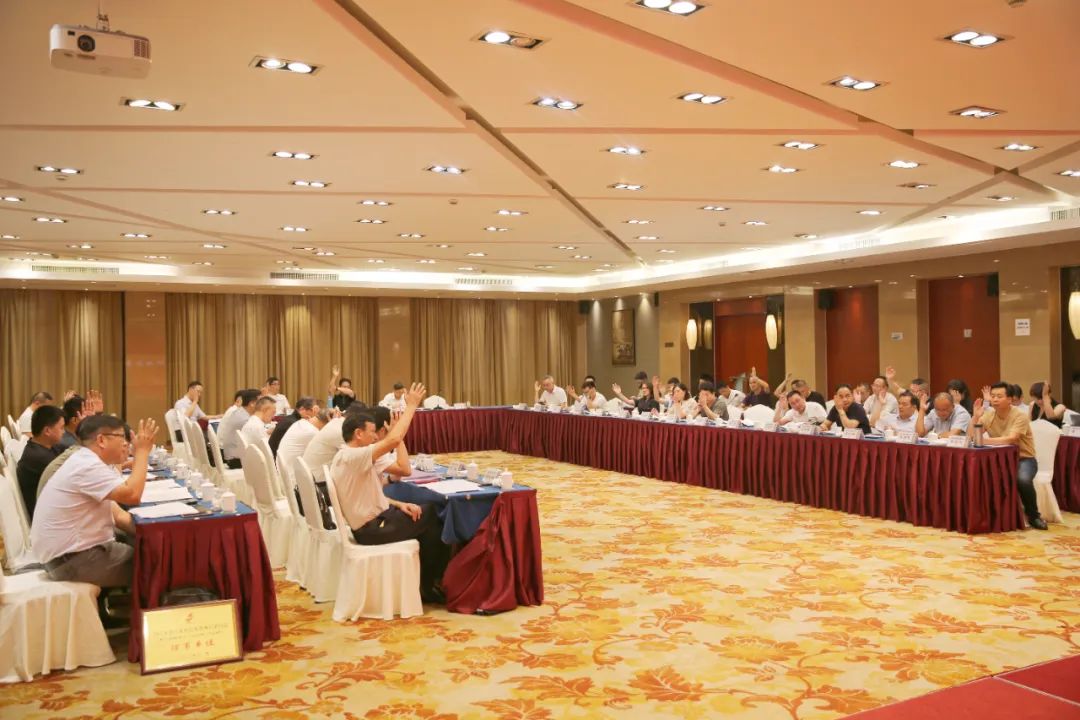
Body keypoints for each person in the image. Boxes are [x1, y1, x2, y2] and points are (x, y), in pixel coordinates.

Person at [329, 382, 450, 603]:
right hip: (371, 530)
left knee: (425, 512)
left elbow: (372, 492)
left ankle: (427, 581)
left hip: (373, 521)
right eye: (372, 433)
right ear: (358, 434)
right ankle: (429, 583)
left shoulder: (345, 455)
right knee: (435, 514)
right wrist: (411, 406)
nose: (376, 437)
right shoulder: (354, 456)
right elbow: (393, 442)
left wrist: (399, 504)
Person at [30, 415, 158, 587]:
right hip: (73, 561)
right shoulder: (87, 466)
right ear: (101, 440)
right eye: (122, 437)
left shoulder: (87, 461)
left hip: (67, 556)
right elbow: (132, 495)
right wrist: (142, 452)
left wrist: (156, 533)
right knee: (157, 564)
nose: (126, 443)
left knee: (150, 550)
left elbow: (118, 516)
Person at [969, 383, 1046, 530]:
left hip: (1023, 459)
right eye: (993, 396)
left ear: (1010, 399)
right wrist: (976, 417)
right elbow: (972, 436)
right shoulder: (988, 415)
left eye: (999, 396)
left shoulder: (1020, 415)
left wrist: (984, 441)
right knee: (979, 475)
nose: (995, 399)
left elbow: (1011, 439)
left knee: (1023, 480)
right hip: (999, 460)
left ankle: (1034, 516)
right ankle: (990, 516)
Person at [15, 405, 65, 519]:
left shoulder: (42, 446)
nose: (64, 432)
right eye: (61, 428)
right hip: (48, 518)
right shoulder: (39, 458)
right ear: (47, 431)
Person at [303, 402, 365, 473]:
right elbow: (355, 458)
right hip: (320, 477)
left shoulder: (336, 422)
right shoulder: (341, 430)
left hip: (313, 472)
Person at [370, 406, 412, 483]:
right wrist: (397, 435)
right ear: (383, 430)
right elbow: (406, 471)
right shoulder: (373, 450)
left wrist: (390, 479)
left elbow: (372, 485)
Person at [219, 388, 259, 468]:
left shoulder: (239, 411)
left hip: (230, 455)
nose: (263, 404)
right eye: (261, 401)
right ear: (252, 403)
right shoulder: (244, 419)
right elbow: (257, 439)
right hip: (236, 459)